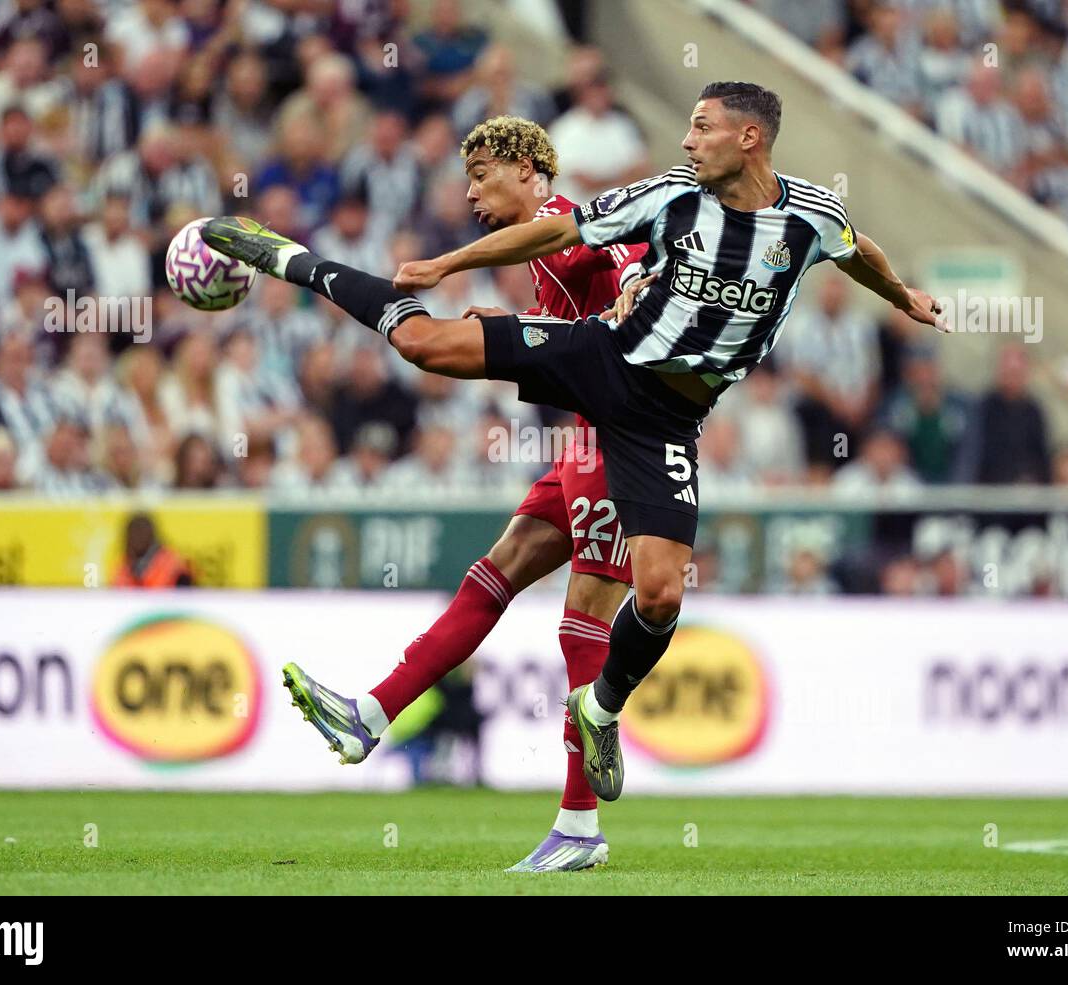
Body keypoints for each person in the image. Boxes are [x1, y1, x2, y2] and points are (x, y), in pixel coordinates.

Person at [201, 80, 943, 806]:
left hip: (639, 431)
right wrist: (461, 272)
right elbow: (580, 239)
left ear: (749, 137)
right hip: (599, 371)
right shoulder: (661, 198)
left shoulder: (806, 215)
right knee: (485, 507)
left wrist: (903, 295)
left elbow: (850, 248)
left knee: (625, 603)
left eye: (702, 127)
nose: (687, 141)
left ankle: (585, 769)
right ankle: (387, 719)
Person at [287, 116, 648, 872]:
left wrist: (631, 292)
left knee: (584, 616)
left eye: (483, 172)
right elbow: (578, 321)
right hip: (584, 436)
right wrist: (519, 324)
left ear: (527, 167)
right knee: (501, 566)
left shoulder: (557, 224)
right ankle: (372, 712)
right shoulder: (550, 249)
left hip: (622, 436)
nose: (472, 190)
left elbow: (621, 267)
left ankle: (580, 826)